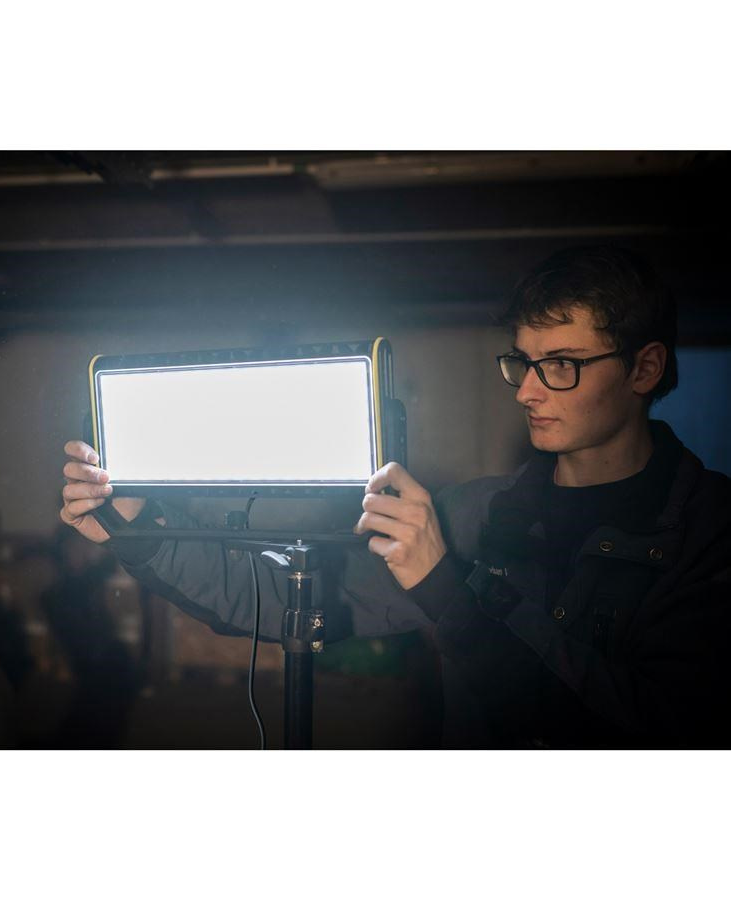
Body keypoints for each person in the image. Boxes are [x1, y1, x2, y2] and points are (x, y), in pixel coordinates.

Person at [61, 245, 731, 748]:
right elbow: (283, 599)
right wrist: (139, 524)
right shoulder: (479, 513)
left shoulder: (711, 531)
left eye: (561, 364)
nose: (528, 391)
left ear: (644, 368)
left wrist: (447, 586)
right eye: (523, 362)